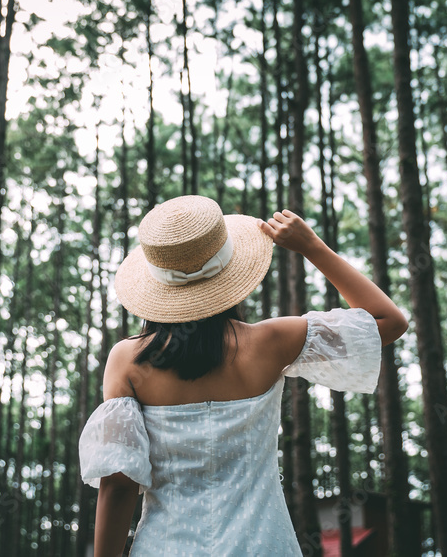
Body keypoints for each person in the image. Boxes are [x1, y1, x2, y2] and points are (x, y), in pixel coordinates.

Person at [78, 195, 408, 556]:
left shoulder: (127, 359)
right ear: (231, 268)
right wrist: (311, 246)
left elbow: (119, 487)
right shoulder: (271, 342)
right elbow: (388, 321)